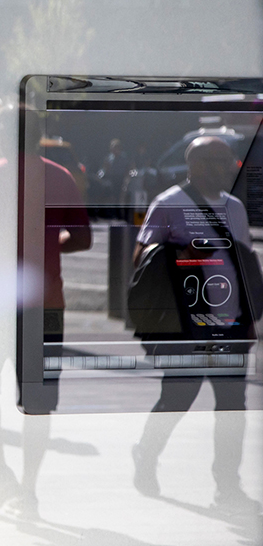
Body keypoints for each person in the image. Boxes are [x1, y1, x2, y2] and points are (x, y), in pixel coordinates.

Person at [0, 105, 90, 516]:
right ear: (39, 137)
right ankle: (29, 491)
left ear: (1, 135)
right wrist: (51, 245)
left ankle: (0, 472)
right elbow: (82, 238)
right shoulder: (60, 176)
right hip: (45, 303)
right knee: (38, 402)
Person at [130, 136, 261, 513]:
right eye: (220, 161)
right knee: (177, 398)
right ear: (197, 164)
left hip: (231, 324)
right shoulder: (169, 204)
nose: (229, 166)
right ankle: (147, 455)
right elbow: (142, 257)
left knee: (232, 406)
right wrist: (184, 253)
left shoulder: (234, 207)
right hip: (187, 327)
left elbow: (244, 261)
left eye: (229, 160)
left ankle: (227, 484)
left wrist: (250, 318)